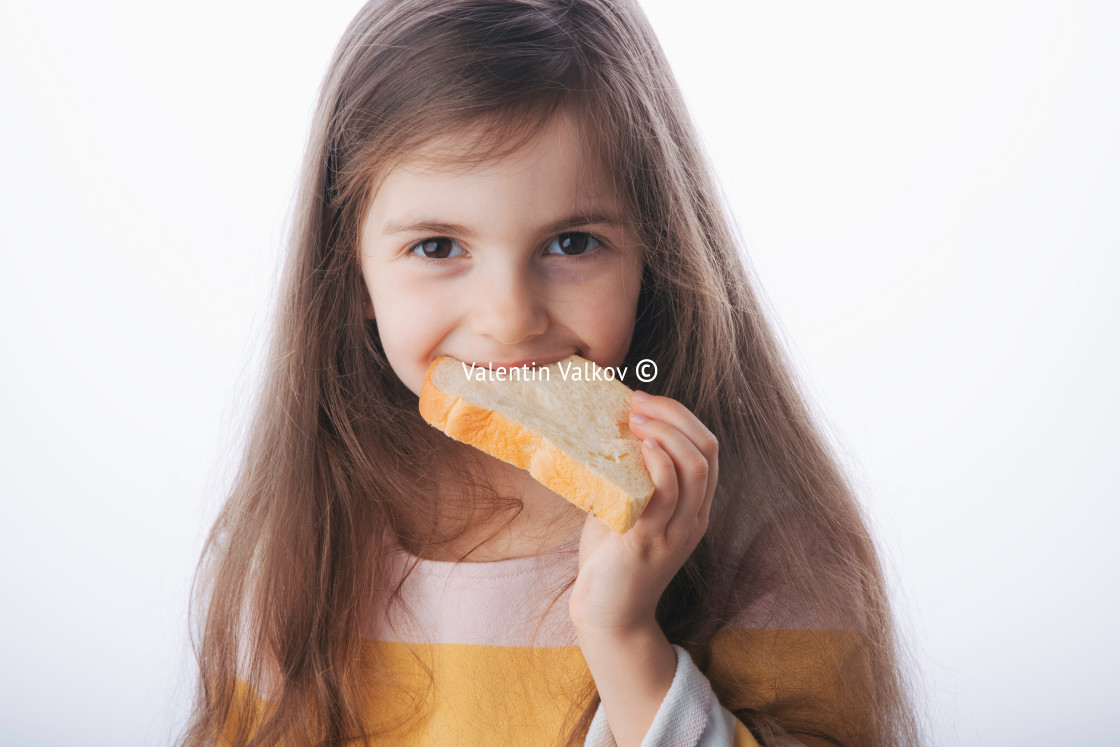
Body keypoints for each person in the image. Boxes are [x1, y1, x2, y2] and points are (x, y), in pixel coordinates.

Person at [181, 0, 922, 744]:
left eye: (571, 242)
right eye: (439, 247)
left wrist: (625, 638)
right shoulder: (303, 535)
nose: (508, 316)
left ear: (653, 256)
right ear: (350, 273)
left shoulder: (766, 535)